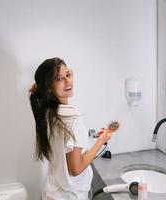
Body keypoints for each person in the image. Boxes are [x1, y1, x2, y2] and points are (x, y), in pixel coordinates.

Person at [29, 57, 115, 200]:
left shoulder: (47, 112)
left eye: (68, 75)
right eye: (59, 79)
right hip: (68, 196)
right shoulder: (73, 118)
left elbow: (65, 151)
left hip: (52, 193)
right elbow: (76, 169)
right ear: (49, 87)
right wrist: (100, 141)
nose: (68, 81)